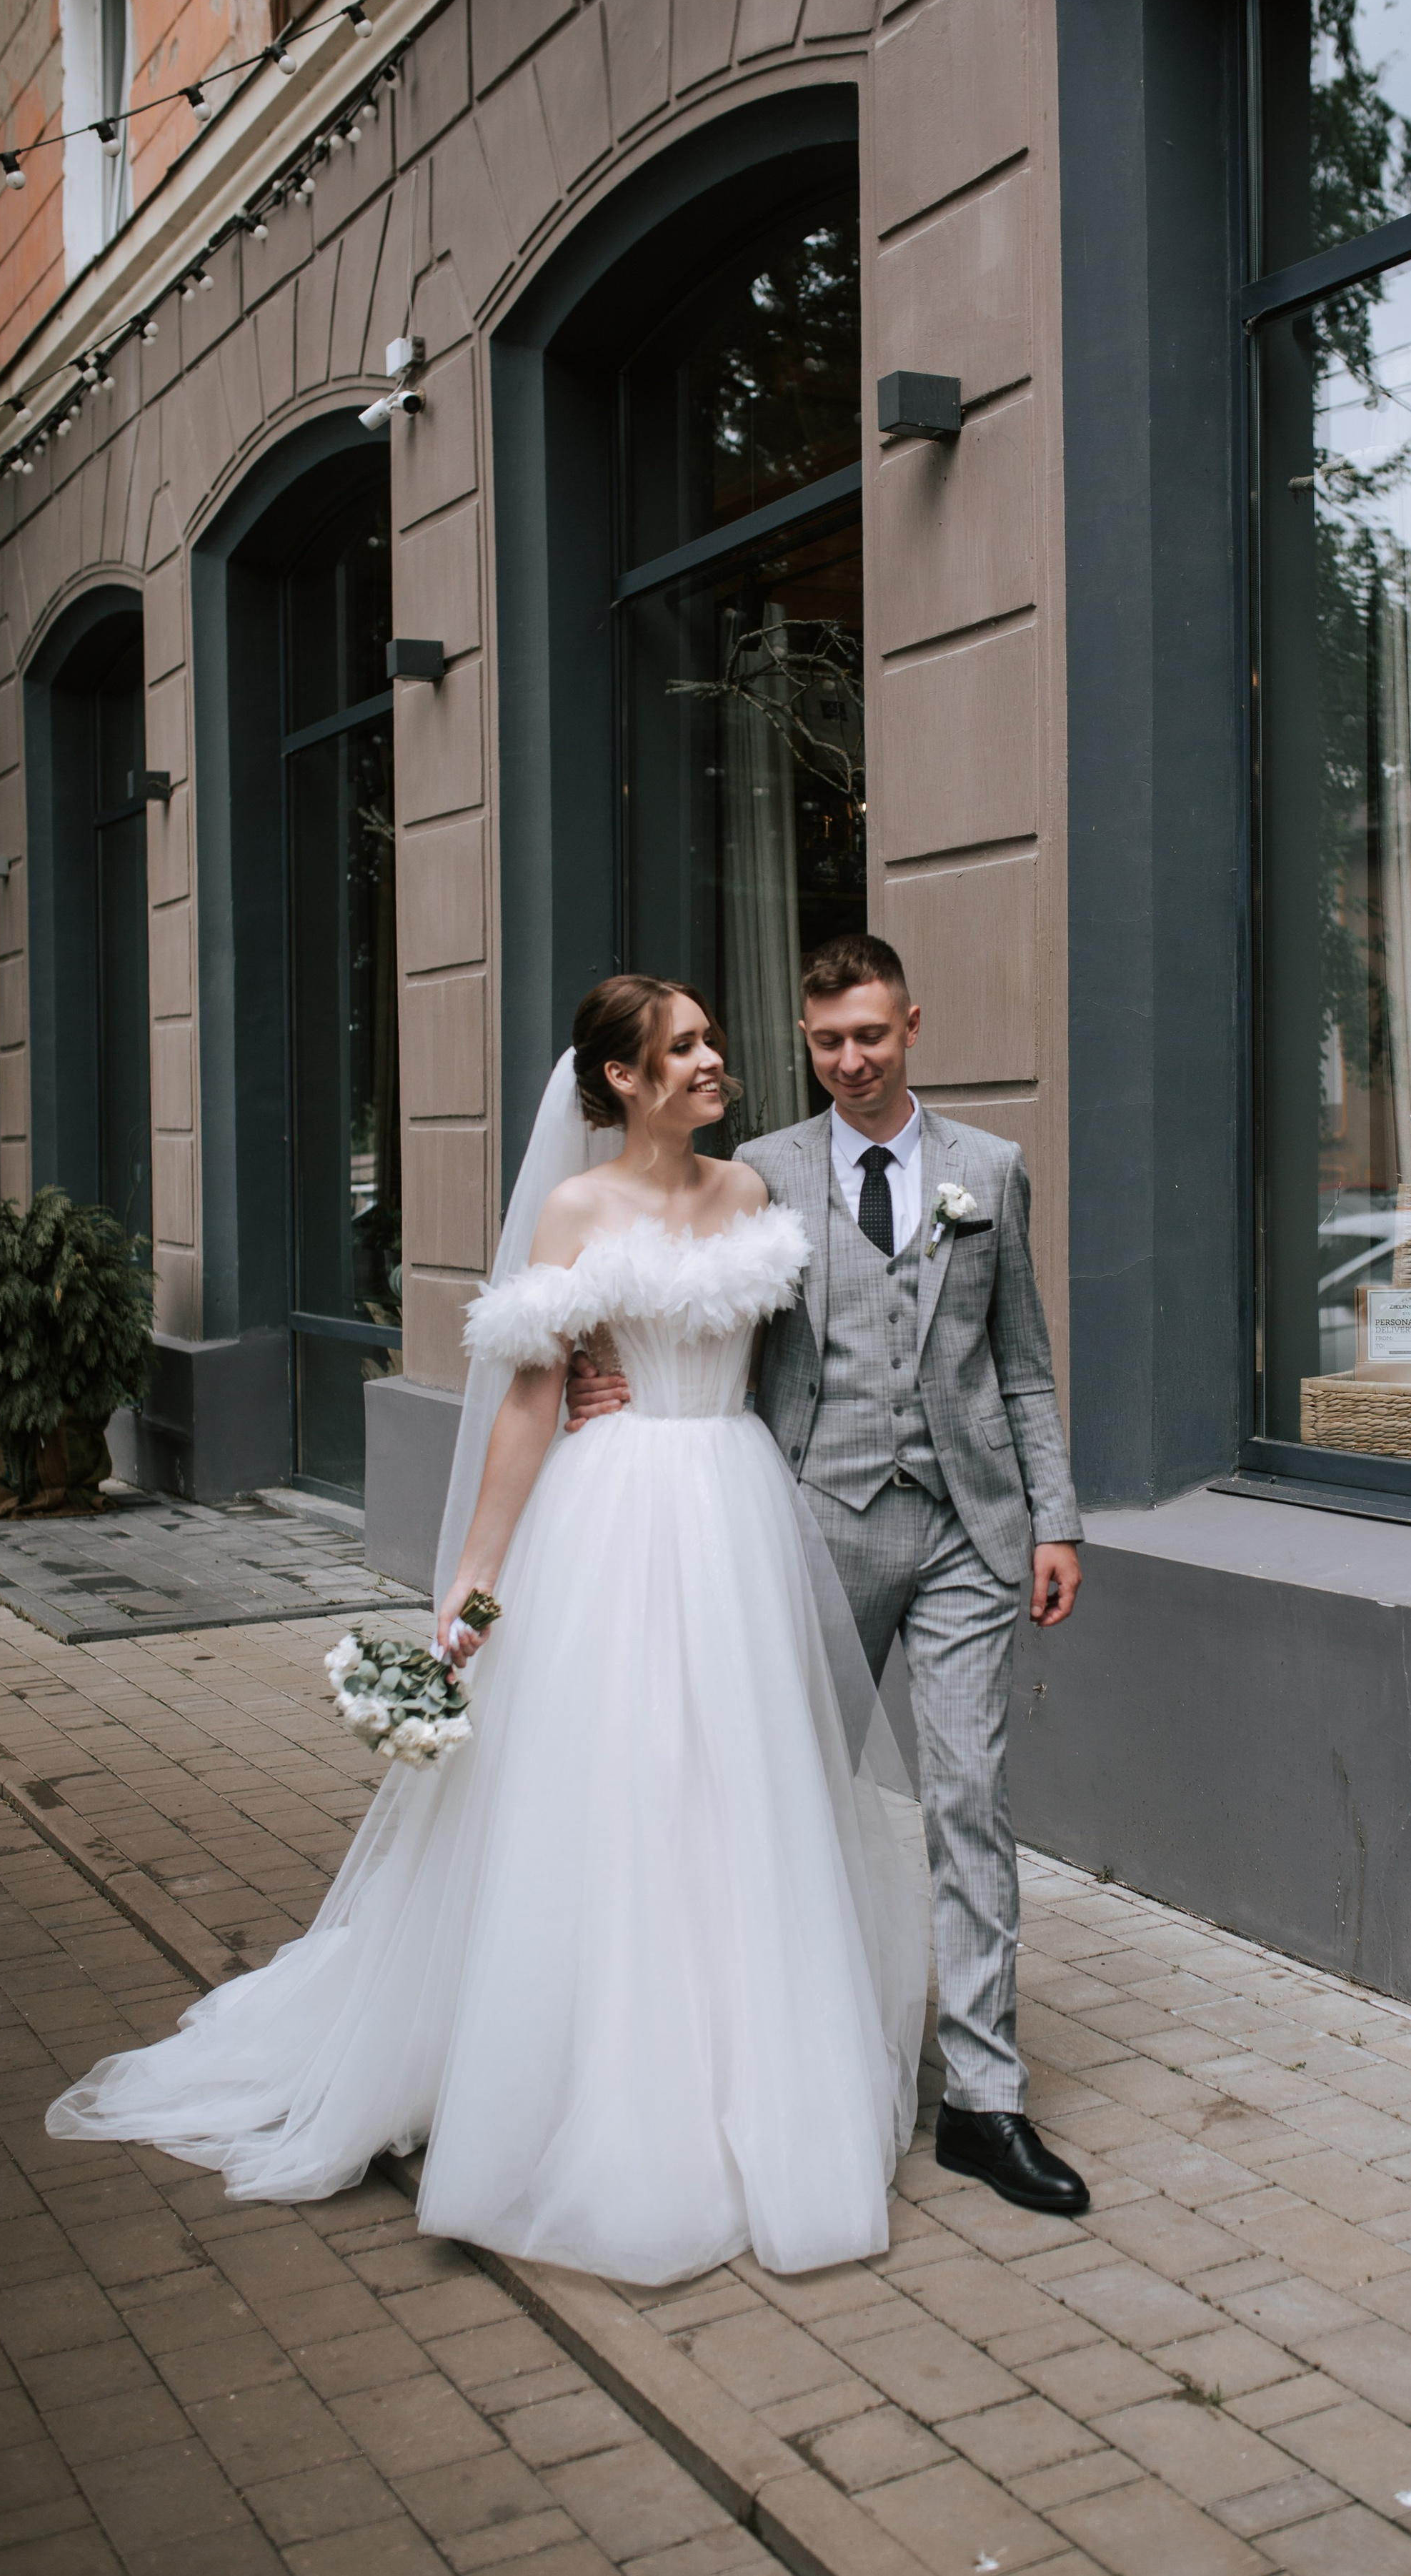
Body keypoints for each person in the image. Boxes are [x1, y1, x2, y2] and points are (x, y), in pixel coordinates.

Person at [45, 978, 928, 2286]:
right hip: (617, 1513)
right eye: (682, 1048)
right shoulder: (577, 1212)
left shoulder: (751, 1194)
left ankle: (753, 2072)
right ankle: (597, 2089)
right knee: (615, 1790)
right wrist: (472, 1573)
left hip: (737, 1510)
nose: (711, 1060)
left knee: (737, 1790)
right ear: (621, 1081)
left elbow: (799, 1362)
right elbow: (526, 1401)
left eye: (709, 1042)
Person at [569, 934, 1090, 2216]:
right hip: (815, 1522)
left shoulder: (992, 1172)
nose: (849, 1061)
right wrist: (602, 1372)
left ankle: (985, 2102)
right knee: (785, 1802)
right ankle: (773, 2069)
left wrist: (1056, 1520)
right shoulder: (758, 1177)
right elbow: (662, 1278)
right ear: (805, 1045)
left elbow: (1020, 1359)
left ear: (912, 1024)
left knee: (971, 1797)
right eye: (824, 1043)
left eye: (870, 1035)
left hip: (973, 1530)